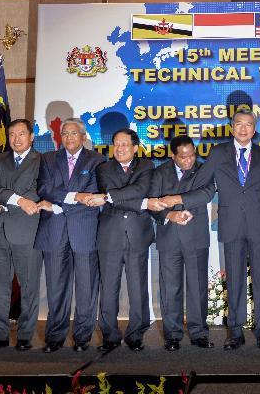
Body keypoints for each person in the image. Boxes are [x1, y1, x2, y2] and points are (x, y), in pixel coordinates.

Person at [184, 111, 260, 350]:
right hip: (231, 224)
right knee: (235, 279)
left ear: (254, 129)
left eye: (248, 125)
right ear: (232, 127)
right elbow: (201, 182)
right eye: (239, 124)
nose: (243, 129)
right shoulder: (218, 153)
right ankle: (236, 332)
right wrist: (183, 203)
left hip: (259, 224)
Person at [35, 117, 106, 353]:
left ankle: (83, 337)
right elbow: (44, 189)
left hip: (85, 231)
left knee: (86, 287)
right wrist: (75, 197)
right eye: (64, 133)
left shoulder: (97, 160)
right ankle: (54, 337)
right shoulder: (47, 159)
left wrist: (57, 202)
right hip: (54, 231)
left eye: (74, 133)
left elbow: (95, 194)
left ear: (83, 136)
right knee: (56, 288)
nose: (69, 138)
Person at [0, 119, 46, 352]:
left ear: (31, 137)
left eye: (21, 134)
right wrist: (18, 201)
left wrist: (5, 203)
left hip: (27, 230)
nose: (16, 139)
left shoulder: (42, 161)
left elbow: (39, 191)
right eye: (12, 134)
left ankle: (25, 336)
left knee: (29, 286)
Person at [89, 128, 154, 352]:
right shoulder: (104, 168)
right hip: (110, 236)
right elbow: (116, 193)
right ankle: (110, 335)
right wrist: (142, 203)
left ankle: (136, 334)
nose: (120, 148)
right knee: (108, 288)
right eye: (116, 144)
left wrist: (107, 198)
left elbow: (140, 189)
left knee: (138, 288)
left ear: (135, 148)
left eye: (125, 144)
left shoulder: (146, 166)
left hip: (137, 234)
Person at [148, 135, 215, 351]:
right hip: (169, 237)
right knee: (170, 288)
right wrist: (170, 215)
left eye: (192, 155)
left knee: (197, 287)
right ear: (172, 155)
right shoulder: (160, 172)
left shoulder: (202, 169)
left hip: (196, 236)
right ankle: (173, 335)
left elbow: (206, 193)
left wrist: (175, 200)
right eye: (183, 157)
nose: (188, 161)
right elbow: (152, 203)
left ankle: (199, 333)